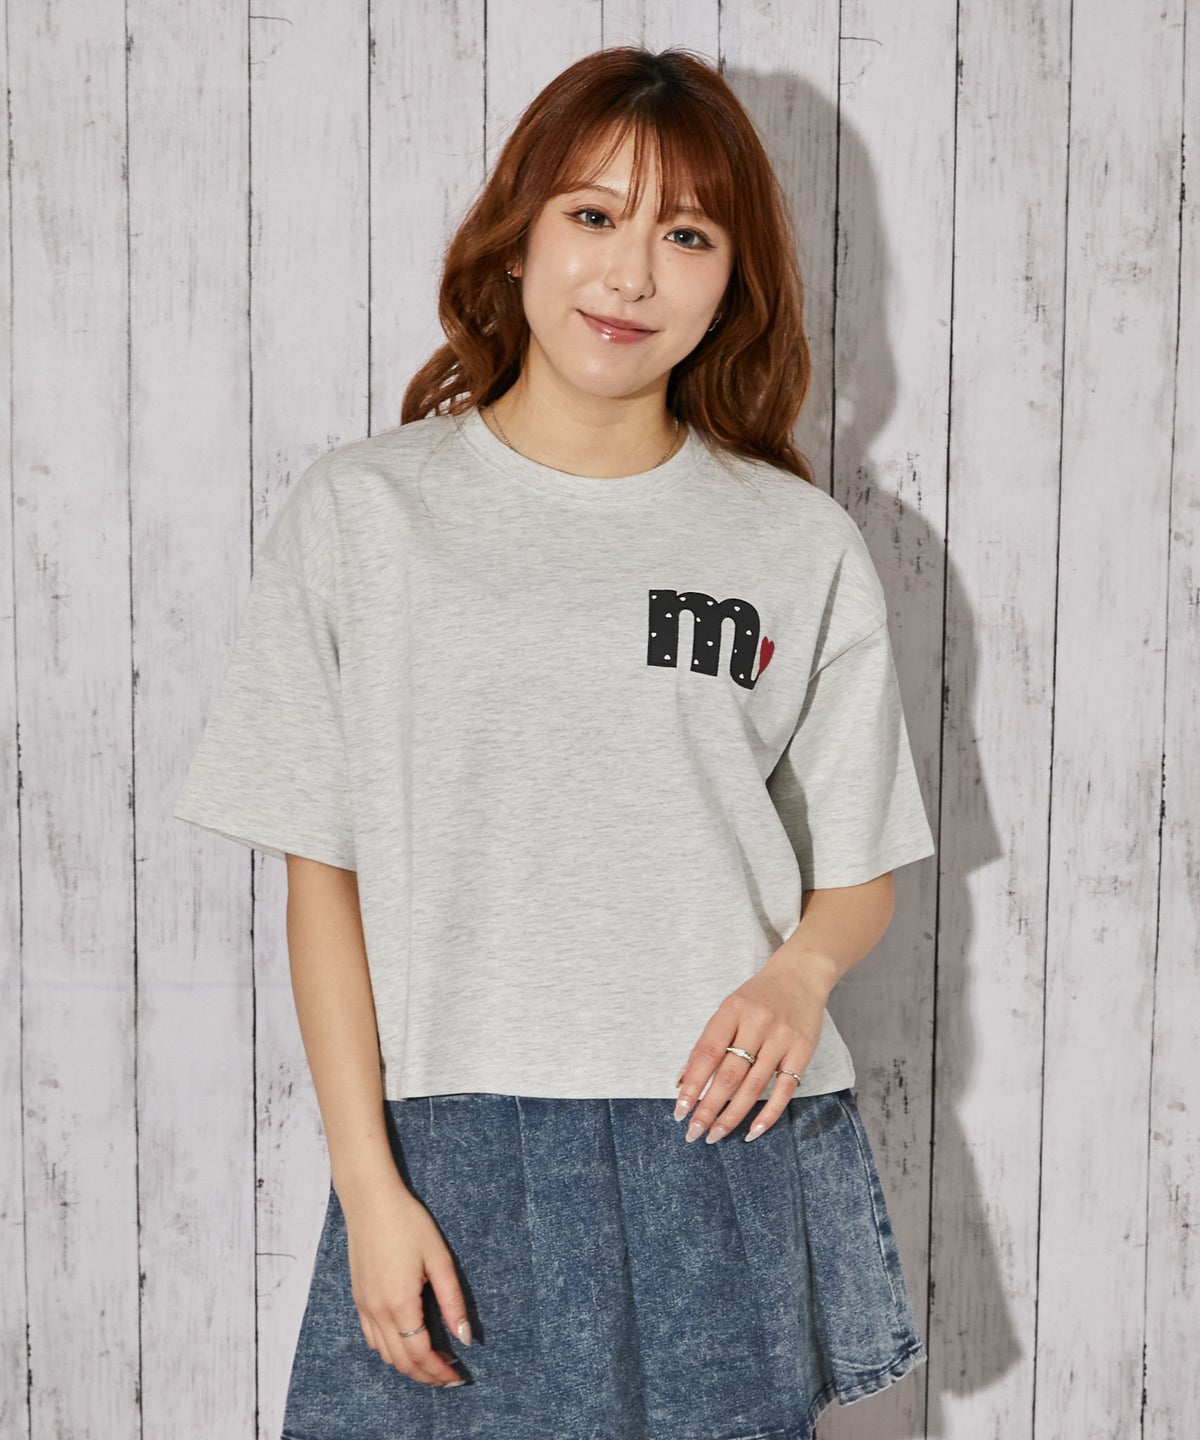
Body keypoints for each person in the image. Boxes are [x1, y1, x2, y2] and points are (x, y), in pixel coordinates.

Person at [173, 44, 936, 1440]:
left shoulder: (795, 543)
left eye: (686, 235)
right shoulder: (365, 515)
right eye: (594, 215)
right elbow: (321, 876)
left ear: (733, 281)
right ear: (518, 238)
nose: (632, 273)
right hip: (448, 1145)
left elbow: (859, 864)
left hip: (724, 1137)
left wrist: (801, 974)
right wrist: (368, 1182)